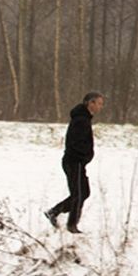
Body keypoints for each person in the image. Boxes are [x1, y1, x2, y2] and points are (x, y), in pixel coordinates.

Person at [45, 92, 104, 234]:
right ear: (90, 103)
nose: (101, 107)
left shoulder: (84, 118)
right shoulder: (81, 120)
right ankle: (71, 226)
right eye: (99, 103)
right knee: (78, 194)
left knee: (84, 192)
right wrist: (84, 156)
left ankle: (54, 212)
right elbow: (75, 143)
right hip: (74, 162)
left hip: (78, 162)